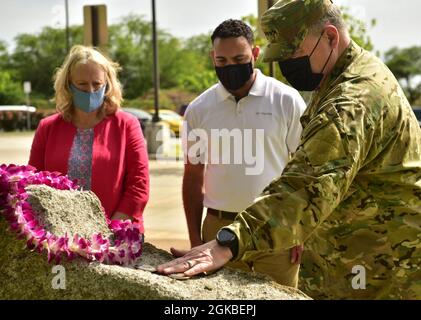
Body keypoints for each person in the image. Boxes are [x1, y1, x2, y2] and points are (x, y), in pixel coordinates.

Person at [158, 0, 421, 300]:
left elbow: (306, 186)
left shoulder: (351, 100)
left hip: (378, 266)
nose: (286, 64)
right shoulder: (343, 76)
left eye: (293, 53)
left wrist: (230, 240)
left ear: (331, 37)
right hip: (358, 255)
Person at [173, 19, 307, 287]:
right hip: (217, 231)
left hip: (275, 229)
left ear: (255, 54)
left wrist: (301, 231)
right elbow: (193, 177)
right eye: (221, 61)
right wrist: (195, 240)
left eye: (239, 58)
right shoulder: (199, 109)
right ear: (213, 57)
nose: (230, 66)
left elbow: (303, 171)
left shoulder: (286, 101)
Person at [29, 45, 149, 233]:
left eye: (97, 84)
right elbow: (34, 182)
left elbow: (139, 184)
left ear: (107, 84)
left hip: (116, 233)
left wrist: (109, 230)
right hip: (58, 234)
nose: (90, 90)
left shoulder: (127, 124)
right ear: (68, 84)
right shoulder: (47, 127)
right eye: (82, 85)